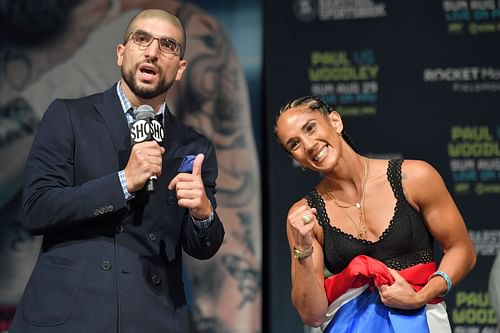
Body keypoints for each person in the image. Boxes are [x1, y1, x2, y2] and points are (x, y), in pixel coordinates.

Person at [1, 1, 261, 332]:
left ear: (180, 68)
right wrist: (124, 182)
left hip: (152, 315)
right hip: (67, 313)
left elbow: (205, 248)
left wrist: (203, 214)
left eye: (167, 46)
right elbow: (37, 210)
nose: (152, 52)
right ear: (121, 53)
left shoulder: (194, 145)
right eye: (142, 40)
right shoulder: (69, 116)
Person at [274, 96, 477, 332]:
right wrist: (303, 250)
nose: (309, 145)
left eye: (310, 128)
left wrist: (422, 296)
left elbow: (462, 250)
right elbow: (313, 315)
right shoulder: (304, 216)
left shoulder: (414, 178)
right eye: (294, 144)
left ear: (335, 122)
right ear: (296, 160)